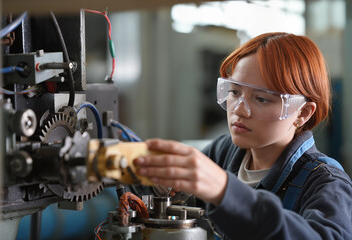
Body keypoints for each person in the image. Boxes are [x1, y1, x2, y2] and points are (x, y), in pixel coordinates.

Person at [133, 32, 352, 239]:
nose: (239, 109)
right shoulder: (224, 151)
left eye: (262, 99)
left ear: (302, 113)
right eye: (234, 92)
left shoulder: (326, 184)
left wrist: (225, 191)